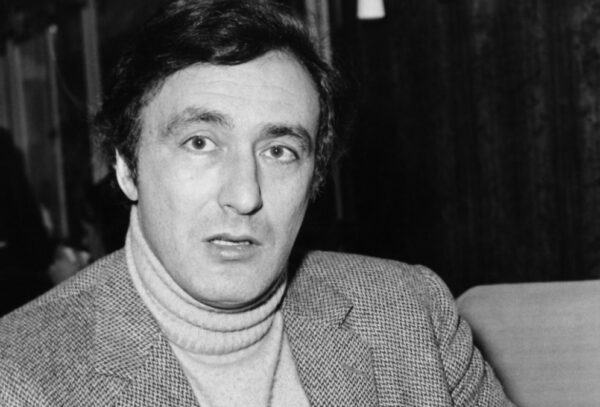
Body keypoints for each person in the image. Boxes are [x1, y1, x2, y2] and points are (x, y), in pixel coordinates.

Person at [0, 1, 515, 405]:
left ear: (315, 178)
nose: (245, 196)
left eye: (279, 151)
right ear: (126, 168)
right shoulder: (19, 376)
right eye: (200, 142)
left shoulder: (412, 313)